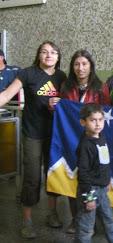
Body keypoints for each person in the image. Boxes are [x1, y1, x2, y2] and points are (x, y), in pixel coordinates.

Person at [0, 41, 67, 239]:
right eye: (44, 52)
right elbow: (5, 95)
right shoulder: (27, 73)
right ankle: (27, 219)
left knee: (52, 174)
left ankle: (52, 212)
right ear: (38, 55)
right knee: (32, 177)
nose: (48, 55)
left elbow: (70, 102)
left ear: (58, 57)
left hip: (54, 134)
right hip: (32, 133)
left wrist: (61, 103)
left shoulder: (61, 76)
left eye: (53, 52)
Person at [49, 49, 111, 234]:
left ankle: (95, 218)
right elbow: (62, 114)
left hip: (93, 141)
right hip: (71, 139)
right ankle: (76, 219)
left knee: (95, 177)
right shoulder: (66, 87)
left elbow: (106, 113)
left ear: (91, 66)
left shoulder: (100, 87)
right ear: (72, 67)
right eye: (77, 64)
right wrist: (53, 106)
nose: (80, 68)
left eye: (84, 64)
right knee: (73, 175)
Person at [75, 103, 113, 243]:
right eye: (93, 120)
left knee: (110, 220)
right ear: (83, 122)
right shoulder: (85, 145)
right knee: (86, 226)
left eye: (100, 120)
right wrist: (89, 197)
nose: (98, 124)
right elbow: (83, 173)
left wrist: (107, 181)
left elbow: (104, 163)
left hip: (102, 189)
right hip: (90, 191)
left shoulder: (101, 137)